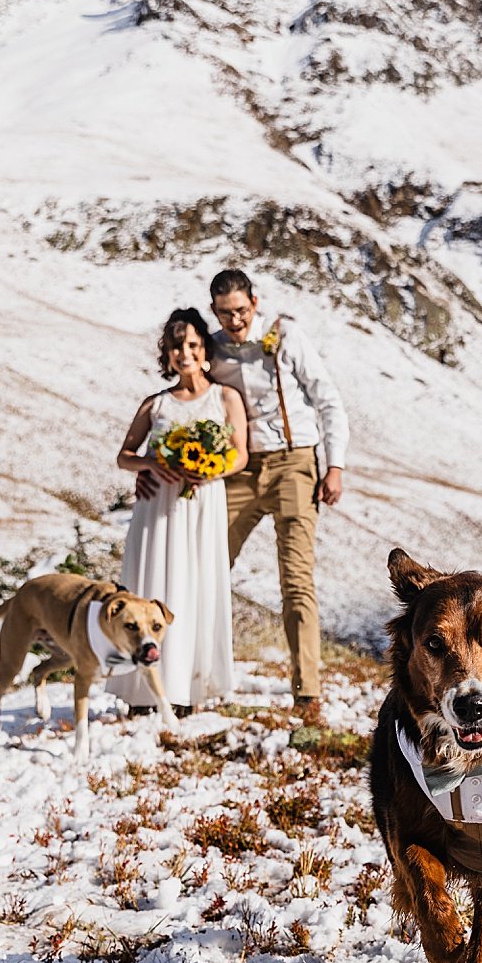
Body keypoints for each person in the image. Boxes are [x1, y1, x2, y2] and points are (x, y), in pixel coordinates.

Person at [144, 269, 349, 721]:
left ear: (255, 303)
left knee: (296, 580)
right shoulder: (211, 348)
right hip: (237, 470)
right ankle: (184, 681)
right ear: (215, 311)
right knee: (205, 568)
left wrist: (334, 465)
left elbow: (327, 398)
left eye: (241, 310)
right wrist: (157, 463)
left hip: (295, 464)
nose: (235, 319)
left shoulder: (286, 336)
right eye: (225, 313)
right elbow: (186, 400)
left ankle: (307, 693)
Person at [112, 308, 249, 715]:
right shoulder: (155, 405)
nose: (183, 352)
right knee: (151, 587)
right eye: (175, 346)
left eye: (191, 344)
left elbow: (240, 456)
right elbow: (124, 456)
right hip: (157, 508)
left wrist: (209, 471)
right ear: (167, 354)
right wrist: (150, 465)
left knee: (194, 588)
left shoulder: (226, 398)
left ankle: (186, 689)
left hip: (203, 504)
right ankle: (142, 692)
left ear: (204, 348)